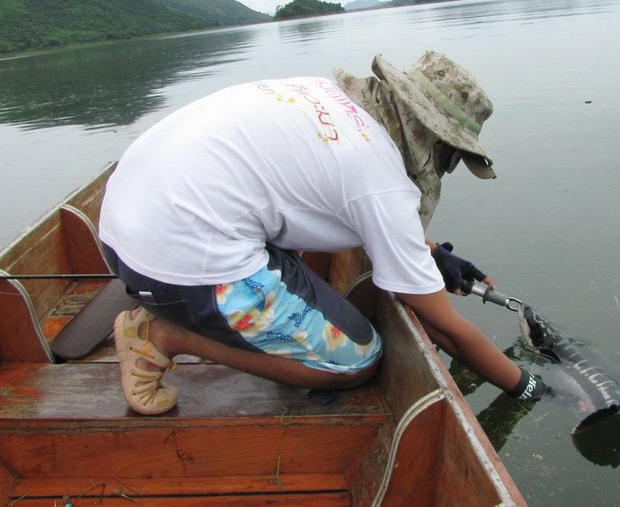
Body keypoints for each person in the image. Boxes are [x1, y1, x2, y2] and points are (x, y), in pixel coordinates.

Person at [99, 51, 547, 415]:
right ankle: (162, 336)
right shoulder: (381, 179)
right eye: (451, 158)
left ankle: (185, 306)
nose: (444, 168)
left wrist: (429, 254)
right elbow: (445, 328)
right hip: (173, 267)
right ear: (436, 139)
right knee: (356, 359)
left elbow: (331, 198)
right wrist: (525, 385)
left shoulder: (326, 100)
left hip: (123, 229)